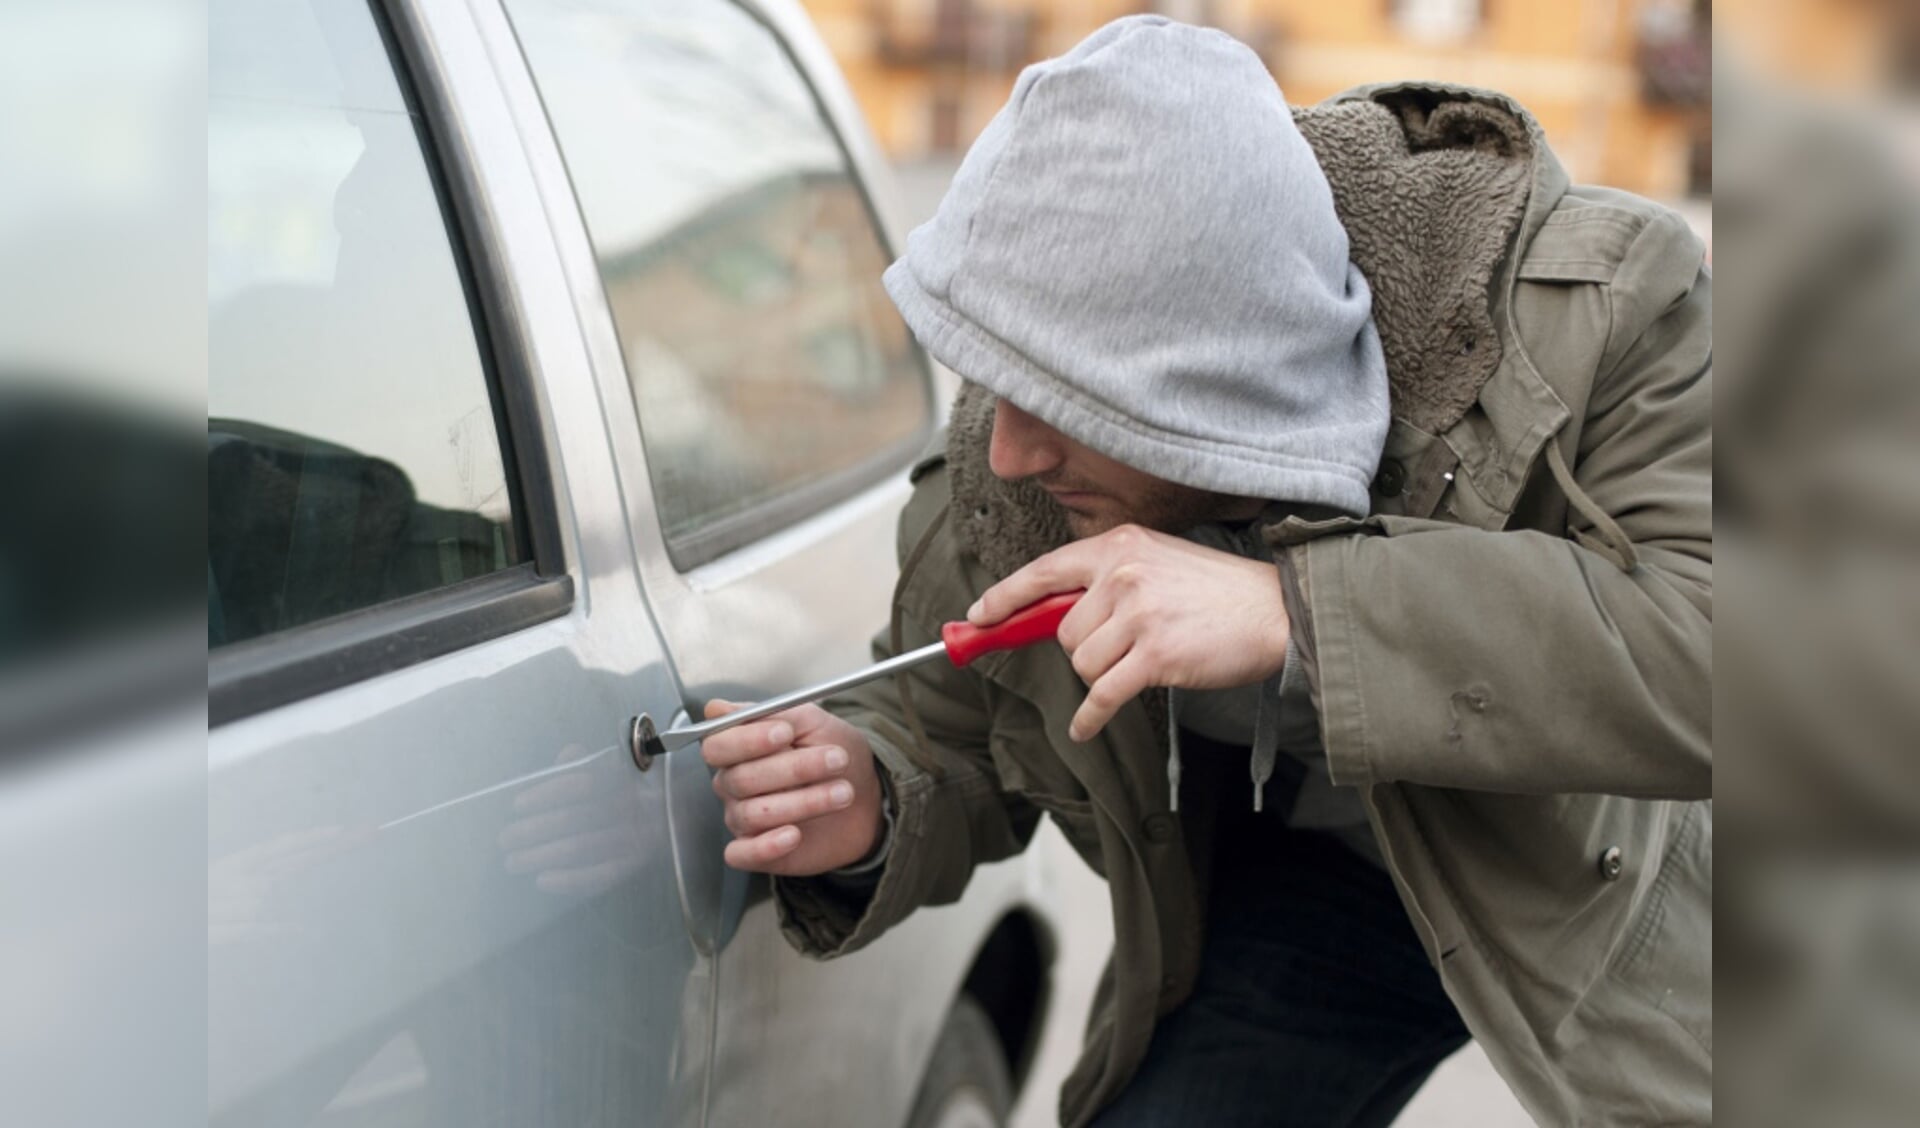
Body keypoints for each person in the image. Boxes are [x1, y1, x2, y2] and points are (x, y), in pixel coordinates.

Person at [700, 16, 1712, 1127]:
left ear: (1210, 379)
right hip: (1318, 905)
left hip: (1612, 886)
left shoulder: (1603, 313)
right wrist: (875, 793)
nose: (1010, 451)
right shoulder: (1008, 472)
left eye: (1066, 403)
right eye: (999, 383)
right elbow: (958, 722)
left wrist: (1299, 612)